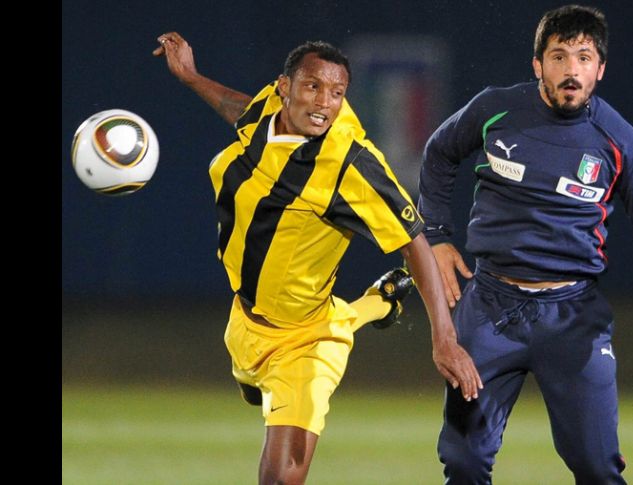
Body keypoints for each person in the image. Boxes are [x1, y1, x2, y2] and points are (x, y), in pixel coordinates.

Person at [153, 33, 482, 484]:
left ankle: (362, 313)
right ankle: (377, 303)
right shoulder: (270, 109)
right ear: (284, 87)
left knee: (281, 476)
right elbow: (242, 112)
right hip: (245, 321)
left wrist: (443, 337)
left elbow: (414, 242)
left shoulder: (349, 165)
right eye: (312, 87)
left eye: (336, 92)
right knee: (252, 394)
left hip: (306, 344)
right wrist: (191, 78)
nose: (324, 103)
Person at [417, 5, 633, 484]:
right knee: (463, 463)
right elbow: (439, 153)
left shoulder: (618, 138)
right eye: (559, 56)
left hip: (572, 315)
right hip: (489, 309)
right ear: (537, 65)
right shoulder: (495, 109)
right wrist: (438, 238)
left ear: (600, 69)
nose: (571, 70)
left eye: (584, 58)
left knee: (597, 467)